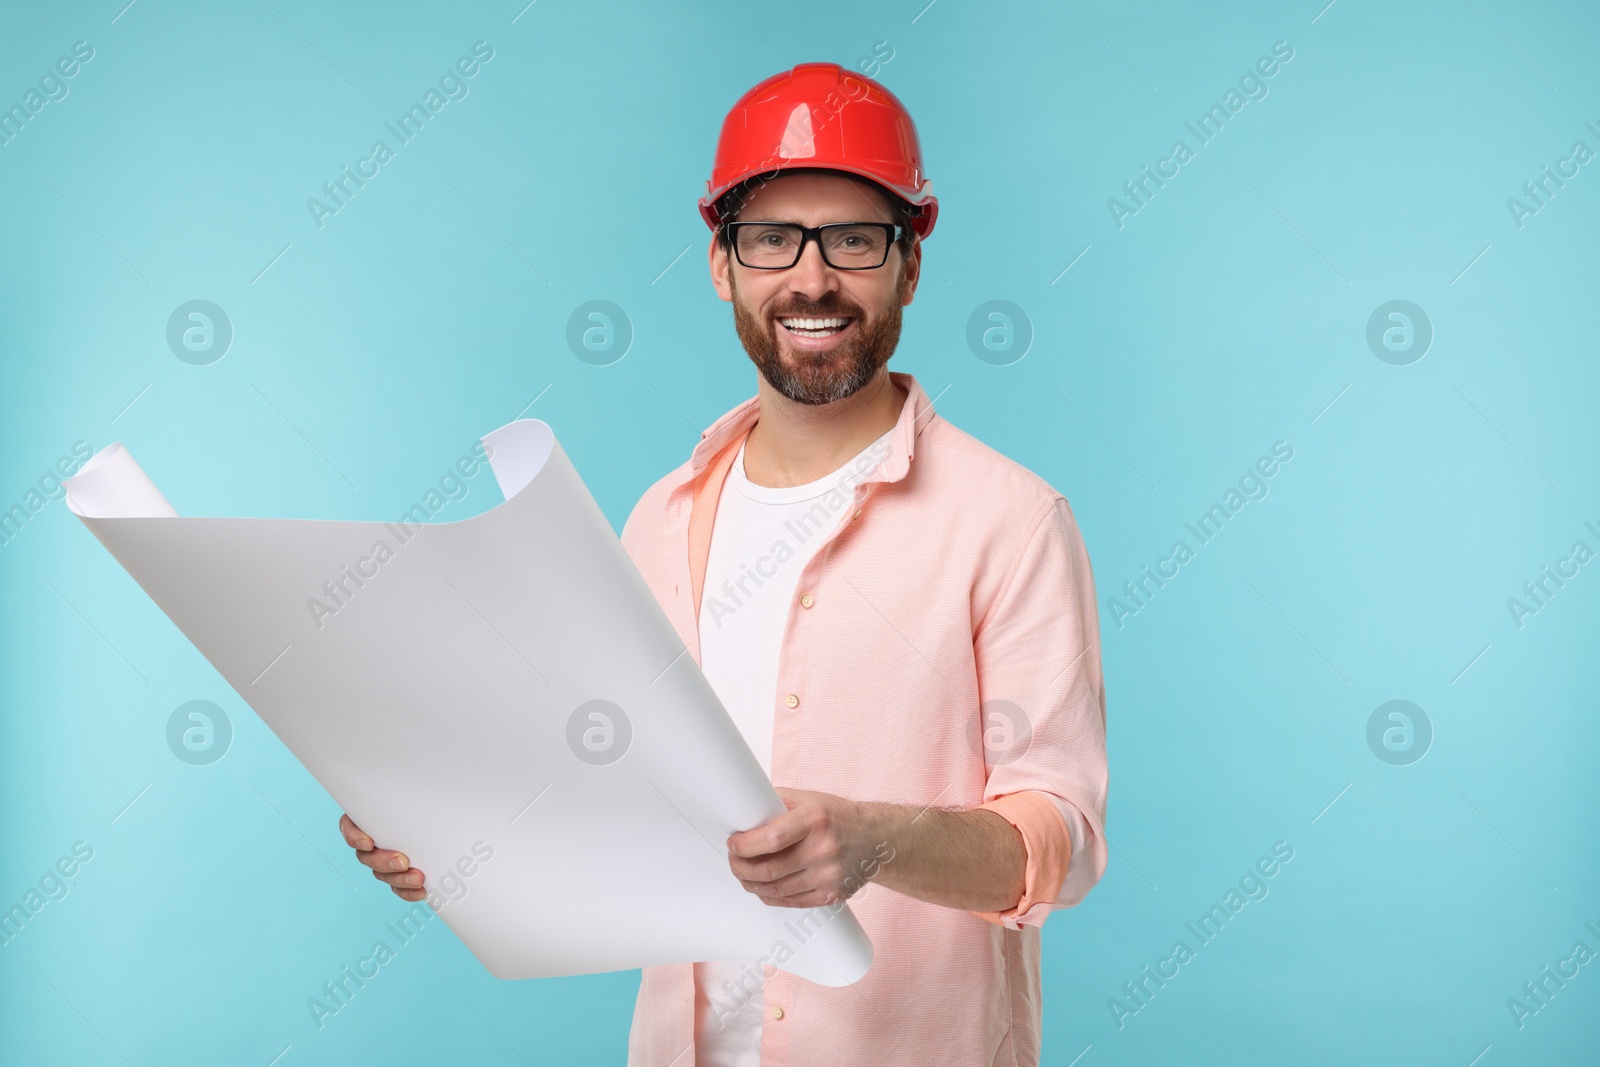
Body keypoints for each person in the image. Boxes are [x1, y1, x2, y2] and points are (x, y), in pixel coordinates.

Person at [340, 61, 1108, 1066]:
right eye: (771, 238)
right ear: (722, 263)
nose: (812, 278)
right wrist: (454, 837)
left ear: (910, 265)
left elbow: (1060, 840)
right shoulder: (660, 518)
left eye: (854, 240)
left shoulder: (1009, 520)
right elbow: (611, 803)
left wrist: (876, 837)